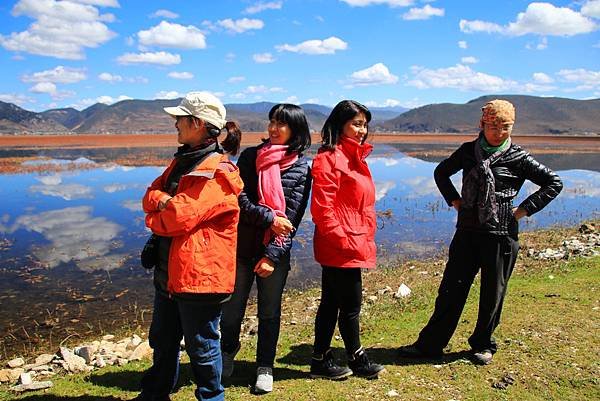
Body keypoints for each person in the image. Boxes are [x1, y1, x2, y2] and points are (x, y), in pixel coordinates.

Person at [398, 99, 563, 365]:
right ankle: (430, 345)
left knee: (492, 293)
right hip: (467, 232)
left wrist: (521, 211)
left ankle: (483, 344)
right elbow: (441, 172)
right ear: (482, 124)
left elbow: (554, 182)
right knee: (451, 290)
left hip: (501, 235)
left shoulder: (518, 157)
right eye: (493, 126)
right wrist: (455, 200)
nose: (499, 132)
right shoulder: (467, 152)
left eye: (505, 127)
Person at [137, 91, 243, 401]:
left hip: (200, 278)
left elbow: (178, 218)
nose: (175, 124)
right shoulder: (182, 163)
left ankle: (211, 398)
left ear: (197, 123)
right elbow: (149, 196)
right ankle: (155, 395)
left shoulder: (217, 173)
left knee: (203, 347)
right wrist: (162, 203)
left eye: (180, 119)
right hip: (170, 272)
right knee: (163, 340)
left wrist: (158, 212)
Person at [220, 103, 312, 393]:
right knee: (232, 310)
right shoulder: (250, 158)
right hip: (242, 248)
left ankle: (265, 367)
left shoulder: (301, 168)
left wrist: (272, 255)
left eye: (281, 123)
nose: (273, 128)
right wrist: (270, 217)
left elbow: (293, 219)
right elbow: (239, 202)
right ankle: (226, 355)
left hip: (275, 253)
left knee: (269, 312)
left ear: (295, 130)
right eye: (272, 121)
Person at [309, 100, 385, 381]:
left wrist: (361, 236)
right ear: (340, 124)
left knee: (331, 302)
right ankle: (357, 358)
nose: (362, 130)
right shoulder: (329, 159)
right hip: (341, 244)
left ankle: (320, 359)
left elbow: (359, 205)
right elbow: (322, 209)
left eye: (364, 124)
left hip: (353, 240)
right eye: (356, 123)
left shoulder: (356, 158)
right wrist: (344, 241)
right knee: (351, 306)